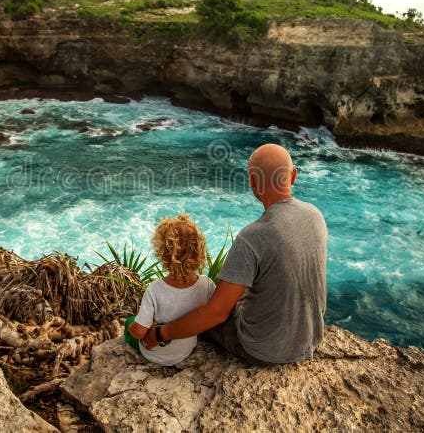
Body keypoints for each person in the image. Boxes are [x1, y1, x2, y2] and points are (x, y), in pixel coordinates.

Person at [142, 143, 327, 365]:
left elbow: (215, 314)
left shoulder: (253, 237)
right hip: (309, 339)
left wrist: (160, 334)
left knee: (201, 302)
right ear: (293, 176)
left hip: (263, 350)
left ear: (252, 182)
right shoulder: (315, 216)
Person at [125, 214, 216, 366]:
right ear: (198, 251)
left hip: (153, 353)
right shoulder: (206, 285)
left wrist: (136, 325)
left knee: (130, 322)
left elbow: (139, 332)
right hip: (185, 351)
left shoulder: (155, 289)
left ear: (162, 254)